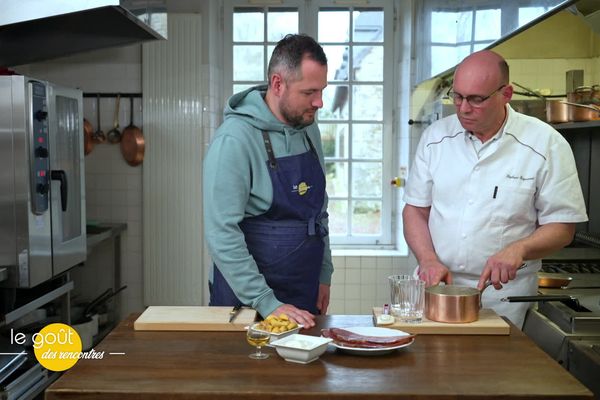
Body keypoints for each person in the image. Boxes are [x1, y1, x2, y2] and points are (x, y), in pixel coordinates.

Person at [402, 50, 588, 328]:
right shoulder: (435, 138)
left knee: (496, 370)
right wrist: (427, 259)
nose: (463, 108)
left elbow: (563, 227)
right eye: (458, 96)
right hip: (438, 289)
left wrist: (520, 248)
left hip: (503, 296)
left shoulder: (546, 144)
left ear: (507, 93)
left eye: (476, 99)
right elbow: (415, 210)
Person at [203, 34, 332, 328]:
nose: (319, 102)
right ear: (277, 84)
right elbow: (222, 233)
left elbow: (319, 212)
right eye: (309, 92)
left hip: (303, 293)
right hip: (248, 304)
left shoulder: (308, 128)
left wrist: (324, 274)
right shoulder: (234, 139)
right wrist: (266, 302)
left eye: (322, 90)